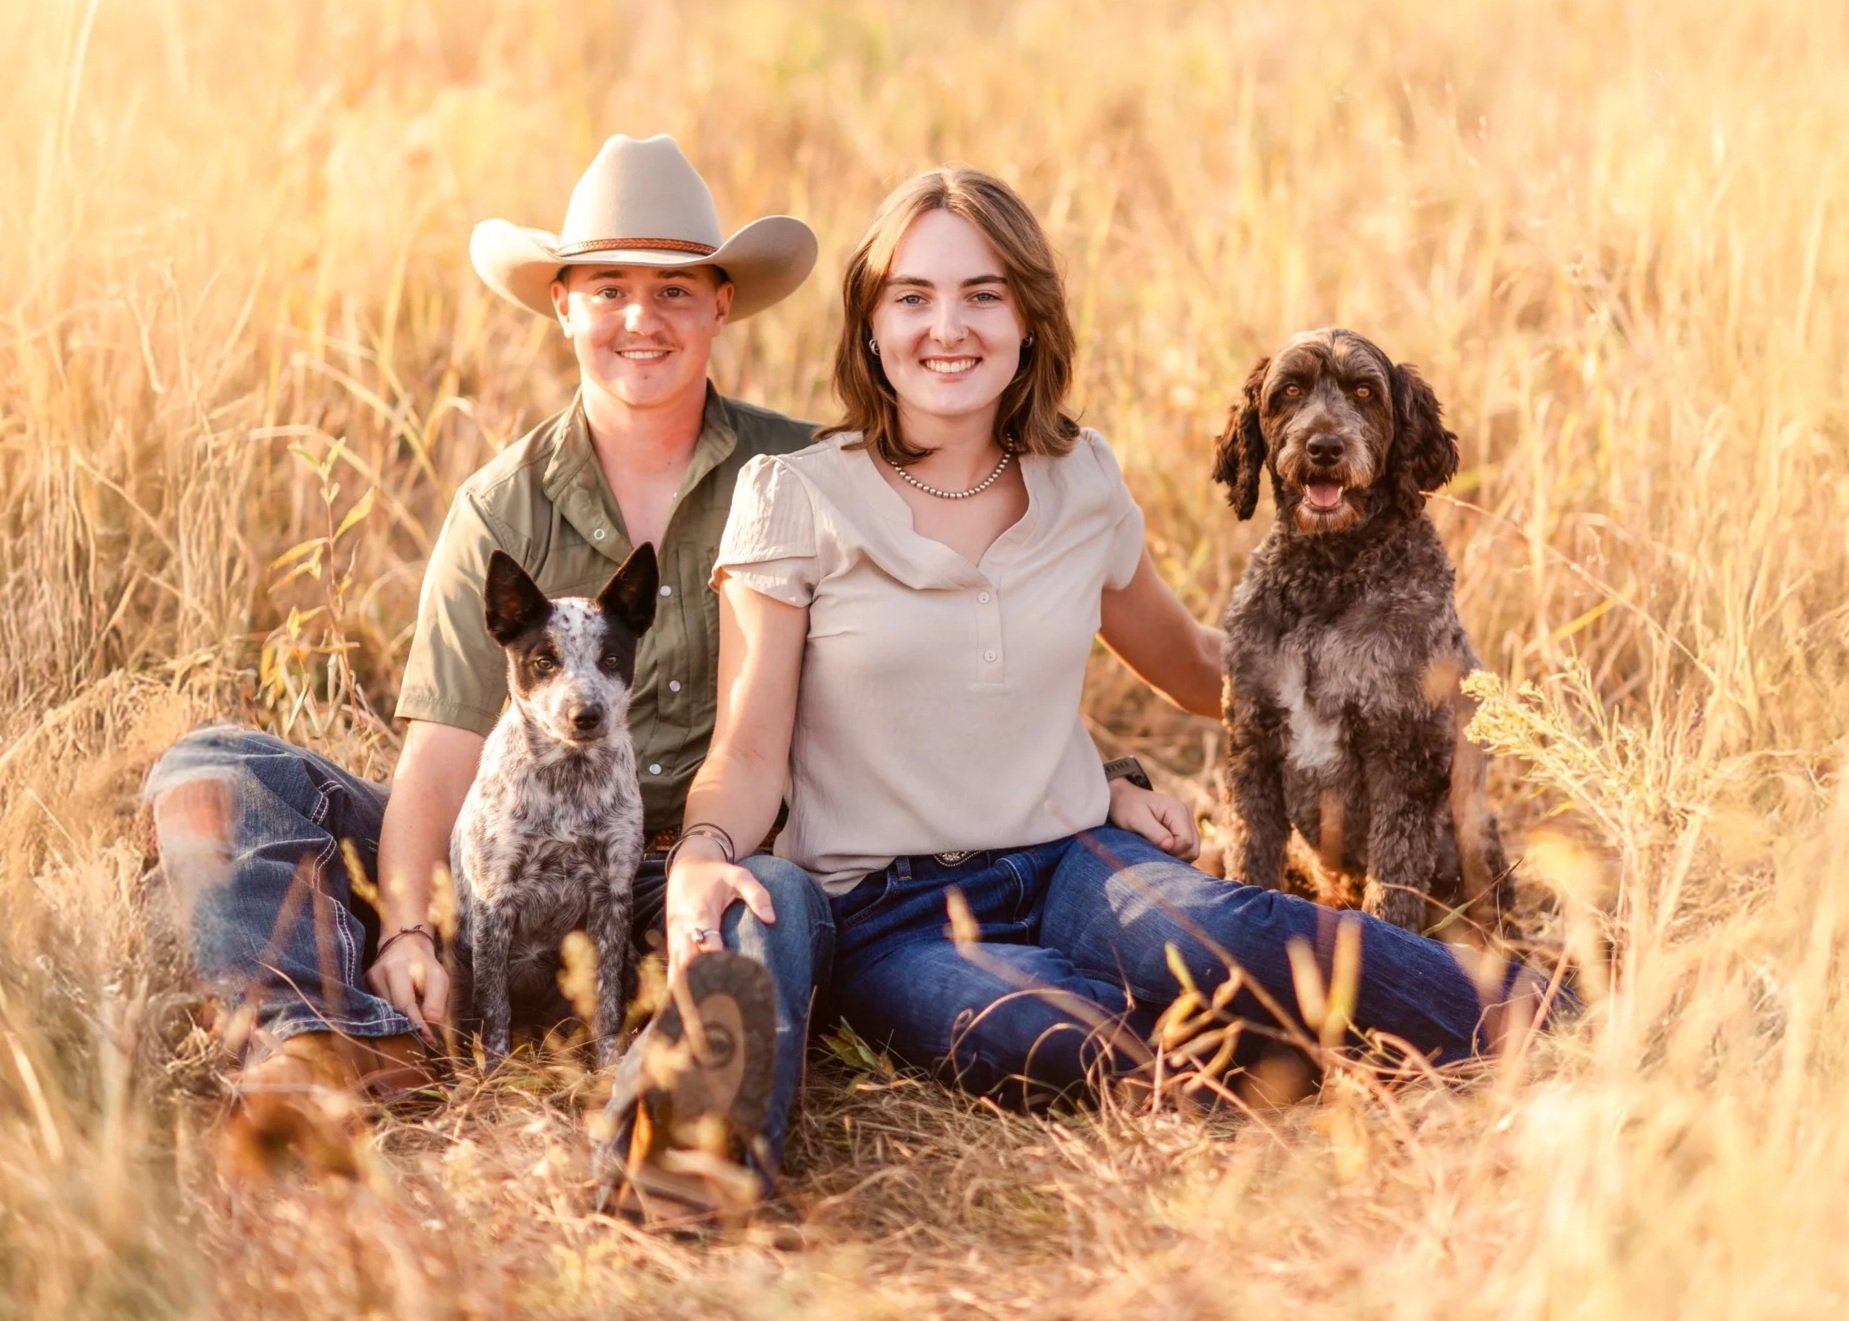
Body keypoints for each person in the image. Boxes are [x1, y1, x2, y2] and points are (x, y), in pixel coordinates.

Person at [662, 166, 1558, 1113]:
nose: (947, 327)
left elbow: (1201, 668)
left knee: (1237, 928)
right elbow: (748, 747)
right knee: (1039, 1031)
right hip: (893, 915)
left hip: (1074, 863)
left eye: (982, 295)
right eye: (912, 297)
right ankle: (1247, 1060)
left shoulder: (1078, 479)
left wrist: (1415, 682)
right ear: (871, 326)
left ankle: (1557, 1021)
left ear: (1028, 320)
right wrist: (702, 845)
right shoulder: (792, 495)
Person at [143, 135, 832, 1194]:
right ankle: (335, 1042)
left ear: (720, 305)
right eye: (608, 287)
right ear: (562, 303)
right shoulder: (499, 504)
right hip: (497, 859)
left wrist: (1090, 778)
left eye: (673, 291)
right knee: (214, 771)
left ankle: (680, 1125)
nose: (639, 319)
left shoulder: (801, 471)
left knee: (771, 892)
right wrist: (413, 924)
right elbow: (441, 759)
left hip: (672, 877)